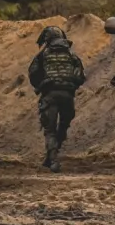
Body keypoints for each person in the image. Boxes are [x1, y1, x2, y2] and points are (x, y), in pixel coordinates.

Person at [27, 26, 86, 173]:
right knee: (63, 126)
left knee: (50, 130)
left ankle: (53, 160)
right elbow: (80, 76)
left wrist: (41, 84)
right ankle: (51, 156)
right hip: (67, 95)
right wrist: (70, 85)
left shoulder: (42, 55)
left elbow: (33, 74)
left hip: (50, 95)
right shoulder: (72, 55)